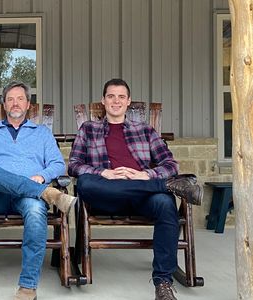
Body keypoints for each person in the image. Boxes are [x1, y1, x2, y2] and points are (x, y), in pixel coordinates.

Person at [68, 78, 203, 300]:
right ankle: (166, 186)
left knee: (165, 204)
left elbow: (170, 164)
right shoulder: (88, 129)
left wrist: (145, 174)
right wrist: (103, 173)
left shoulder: (145, 131)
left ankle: (163, 283)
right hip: (106, 194)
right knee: (85, 183)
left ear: (128, 101)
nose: (116, 101)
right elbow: (73, 165)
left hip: (143, 195)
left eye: (121, 96)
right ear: (103, 101)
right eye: (111, 96)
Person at [0, 81, 76, 300]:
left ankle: (27, 286)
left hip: (28, 198)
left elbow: (57, 164)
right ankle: (46, 193)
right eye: (10, 99)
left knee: (36, 212)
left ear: (28, 105)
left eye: (20, 99)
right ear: (4, 105)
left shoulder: (42, 133)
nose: (15, 103)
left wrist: (43, 176)